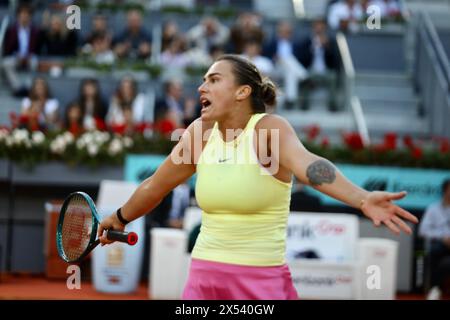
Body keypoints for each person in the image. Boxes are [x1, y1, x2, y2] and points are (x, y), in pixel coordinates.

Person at [98, 54, 419, 300]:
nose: (201, 87)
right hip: (203, 279)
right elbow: (156, 185)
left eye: (213, 80)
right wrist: (120, 216)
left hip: (261, 284)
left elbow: (310, 166)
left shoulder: (269, 130)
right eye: (203, 81)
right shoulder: (198, 134)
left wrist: (362, 198)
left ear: (242, 91)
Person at [419, 178, 450, 300]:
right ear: (444, 191)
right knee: (434, 252)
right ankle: (434, 288)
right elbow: (423, 231)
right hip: (440, 245)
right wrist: (443, 238)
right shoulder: (433, 209)